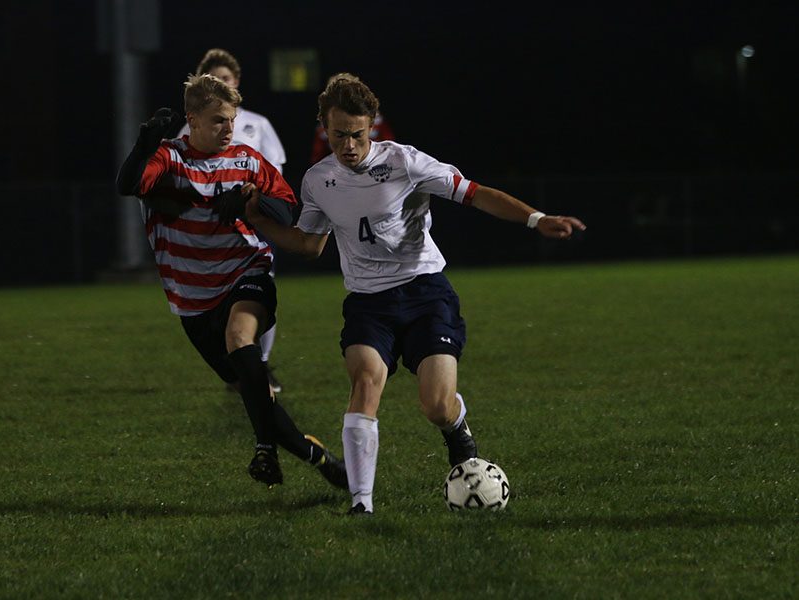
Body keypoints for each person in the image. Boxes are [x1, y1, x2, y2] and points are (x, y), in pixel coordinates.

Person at [243, 73, 586, 515]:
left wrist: (536, 219)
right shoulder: (318, 180)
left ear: (372, 127)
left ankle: (457, 431)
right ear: (324, 128)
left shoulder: (406, 162)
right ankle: (361, 504)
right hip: (369, 302)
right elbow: (309, 244)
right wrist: (259, 221)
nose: (347, 145)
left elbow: (476, 195)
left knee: (436, 406)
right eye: (337, 134)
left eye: (357, 135)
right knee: (365, 383)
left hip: (426, 293)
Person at [115, 72, 347, 490]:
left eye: (232, 119)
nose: (229, 129)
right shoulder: (168, 160)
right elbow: (127, 185)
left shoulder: (246, 161)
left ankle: (263, 450)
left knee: (241, 339)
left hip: (246, 271)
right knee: (256, 396)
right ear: (194, 120)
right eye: (219, 120)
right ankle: (318, 457)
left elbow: (284, 210)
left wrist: (250, 200)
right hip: (192, 300)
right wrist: (144, 143)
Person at [177, 48, 286, 393]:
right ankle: (235, 365)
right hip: (210, 229)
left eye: (225, 78)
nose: (221, 84)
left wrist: (253, 200)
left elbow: (274, 173)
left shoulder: (257, 124)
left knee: (260, 292)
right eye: (214, 80)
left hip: (251, 224)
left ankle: (260, 364)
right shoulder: (188, 128)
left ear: (236, 82)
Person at [310, 108, 394, 165]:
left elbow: (389, 148)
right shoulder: (325, 126)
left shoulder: (376, 121)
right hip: (339, 173)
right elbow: (317, 157)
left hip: (374, 168)